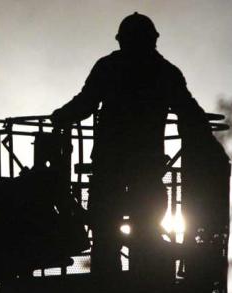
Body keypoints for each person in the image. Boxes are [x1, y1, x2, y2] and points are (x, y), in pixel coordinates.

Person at [51, 12, 208, 278]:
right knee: (144, 221)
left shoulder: (110, 67)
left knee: (106, 221)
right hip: (143, 165)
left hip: (111, 162)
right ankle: (145, 276)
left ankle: (106, 280)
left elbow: (86, 103)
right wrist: (204, 138)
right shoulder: (165, 72)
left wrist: (59, 118)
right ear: (153, 40)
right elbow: (188, 110)